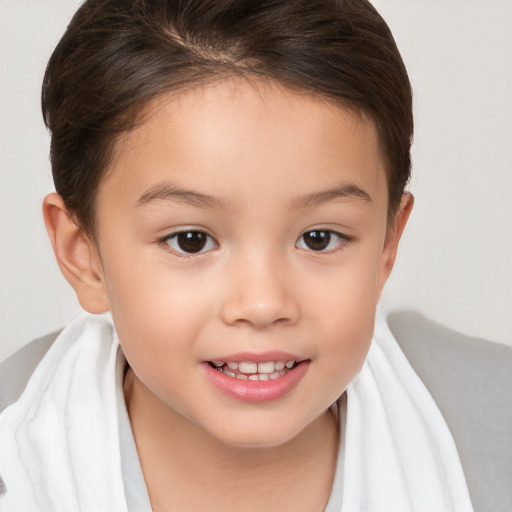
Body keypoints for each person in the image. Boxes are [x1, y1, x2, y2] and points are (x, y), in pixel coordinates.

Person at [0, 1, 477, 511]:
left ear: (387, 244)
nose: (263, 303)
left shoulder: (492, 429)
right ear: (84, 256)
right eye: (191, 240)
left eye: (319, 238)